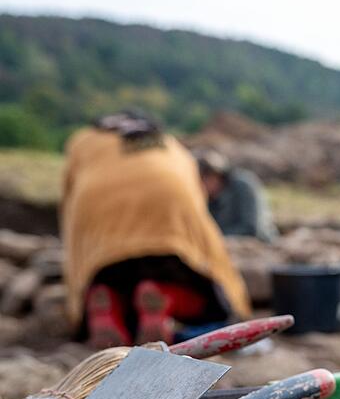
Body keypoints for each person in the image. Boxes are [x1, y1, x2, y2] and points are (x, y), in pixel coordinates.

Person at [61, 111, 252, 348]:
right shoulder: (170, 144)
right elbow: (198, 208)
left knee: (112, 279)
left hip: (98, 209)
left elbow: (69, 202)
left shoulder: (84, 140)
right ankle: (163, 296)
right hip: (169, 207)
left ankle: (106, 302)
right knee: (211, 302)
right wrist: (233, 295)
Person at [197, 150, 279, 243]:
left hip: (259, 245)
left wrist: (215, 237)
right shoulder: (205, 197)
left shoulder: (243, 186)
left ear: (216, 176)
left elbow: (251, 228)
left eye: (204, 178)